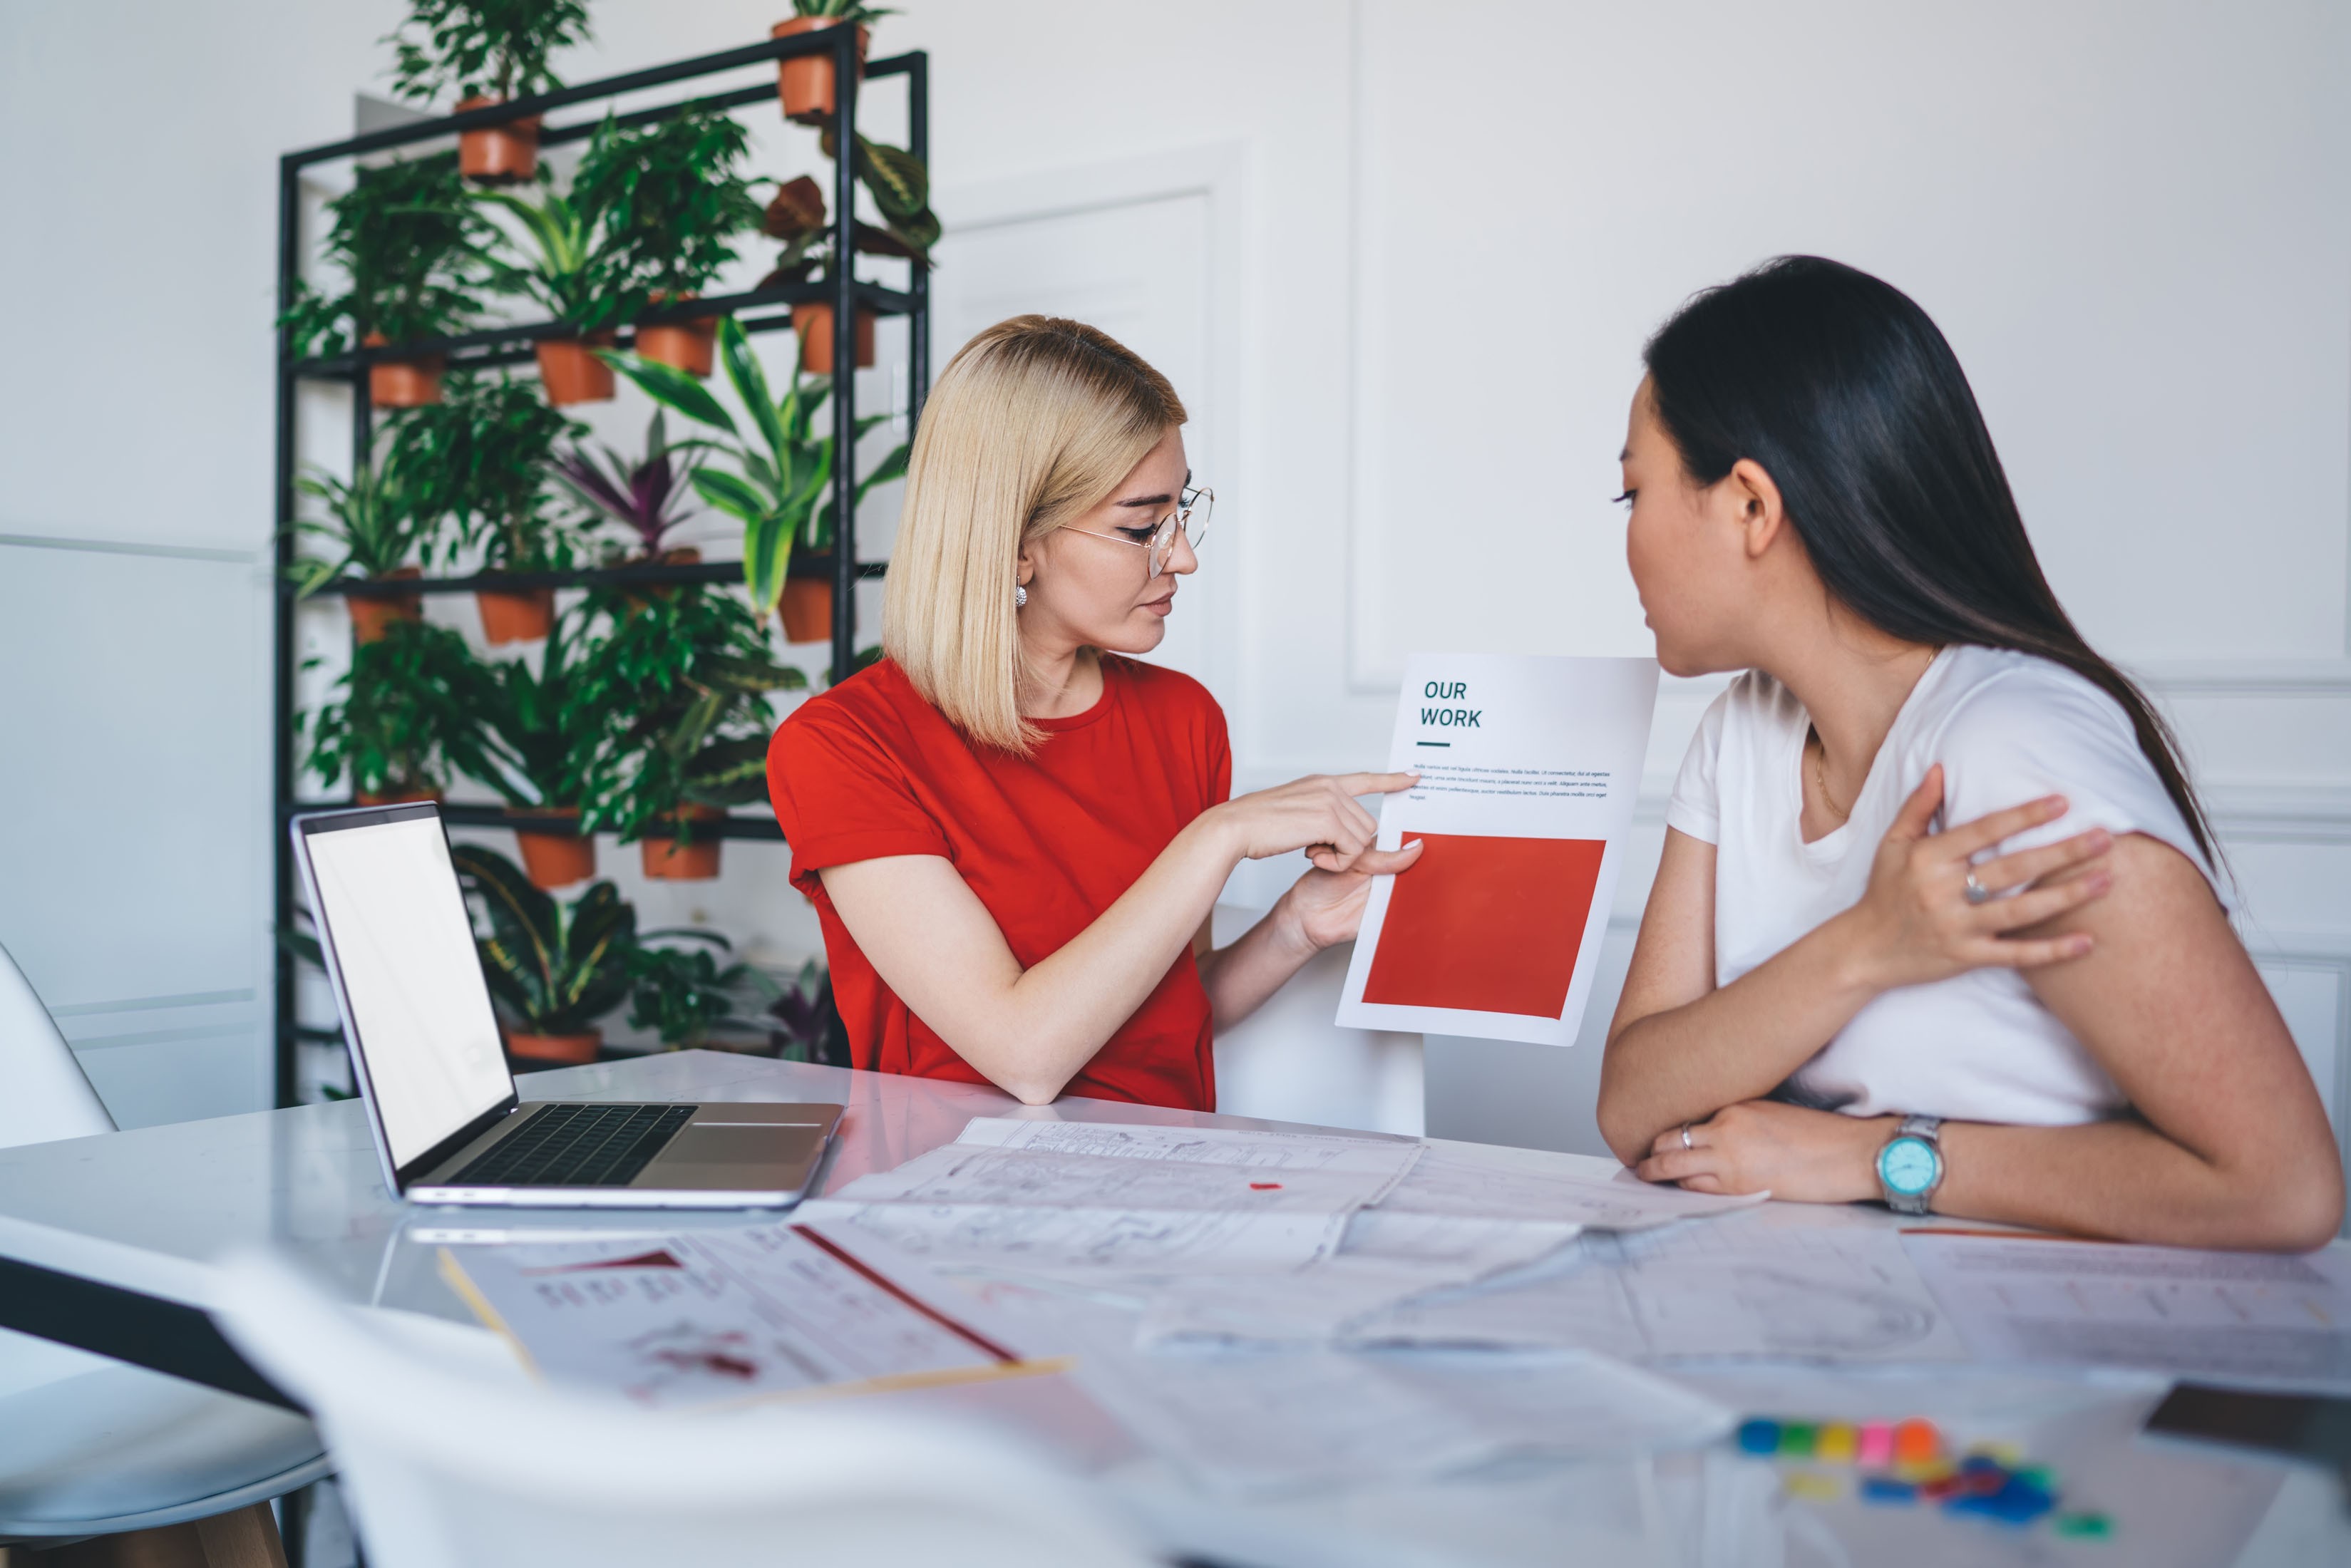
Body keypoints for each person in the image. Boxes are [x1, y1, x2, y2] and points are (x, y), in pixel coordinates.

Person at [1598, 257, 2343, 1250]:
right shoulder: (1743, 733)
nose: (1626, 538)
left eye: (1631, 494)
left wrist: (1866, 1158)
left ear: (1749, 506)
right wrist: (1864, 946)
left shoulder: (2016, 749)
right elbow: (1632, 1106)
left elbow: (2280, 1188)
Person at [767, 316, 1421, 1110]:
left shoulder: (1184, 721)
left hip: (1166, 1185)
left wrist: (1294, 927)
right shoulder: (845, 746)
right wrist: (1219, 836)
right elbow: (1025, 1054)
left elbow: (1164, 1012)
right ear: (1014, 544)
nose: (1182, 556)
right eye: (1141, 527)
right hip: (949, 1202)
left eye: (1181, 514)